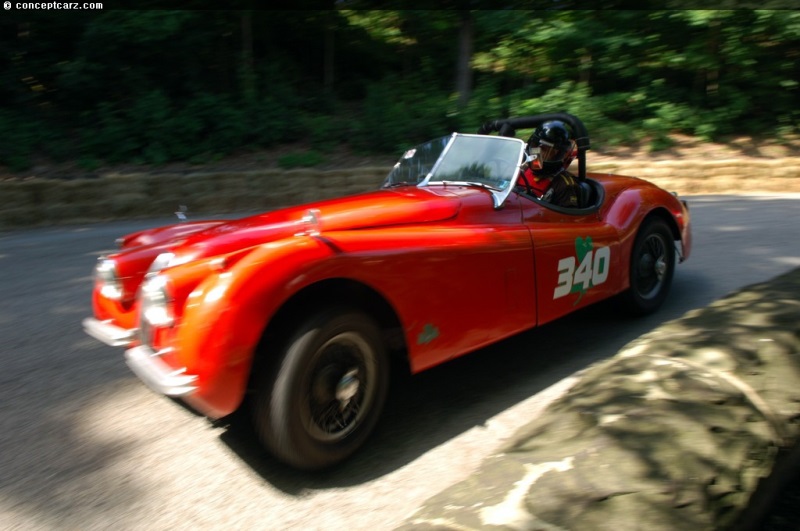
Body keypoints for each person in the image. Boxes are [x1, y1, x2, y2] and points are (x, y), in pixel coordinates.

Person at [518, 120, 581, 208]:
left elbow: (567, 220)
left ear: (559, 154)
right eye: (535, 146)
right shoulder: (522, 169)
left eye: (544, 149)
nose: (537, 153)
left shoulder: (564, 185)